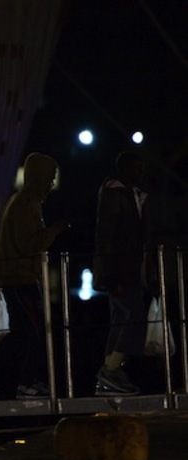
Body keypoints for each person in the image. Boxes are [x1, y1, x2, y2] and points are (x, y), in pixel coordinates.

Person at [0, 152, 68, 400]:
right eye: (49, 177)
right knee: (30, 332)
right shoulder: (25, 204)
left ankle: (14, 379)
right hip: (20, 279)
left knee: (26, 332)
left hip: (15, 277)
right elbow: (29, 244)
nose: (51, 183)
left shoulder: (22, 202)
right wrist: (53, 231)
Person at [92, 151, 151, 396]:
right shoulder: (116, 195)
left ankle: (111, 369)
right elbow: (108, 237)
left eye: (140, 167)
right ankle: (110, 370)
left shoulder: (128, 195)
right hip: (122, 270)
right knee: (131, 317)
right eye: (133, 167)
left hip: (127, 269)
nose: (138, 172)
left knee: (123, 318)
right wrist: (112, 274)